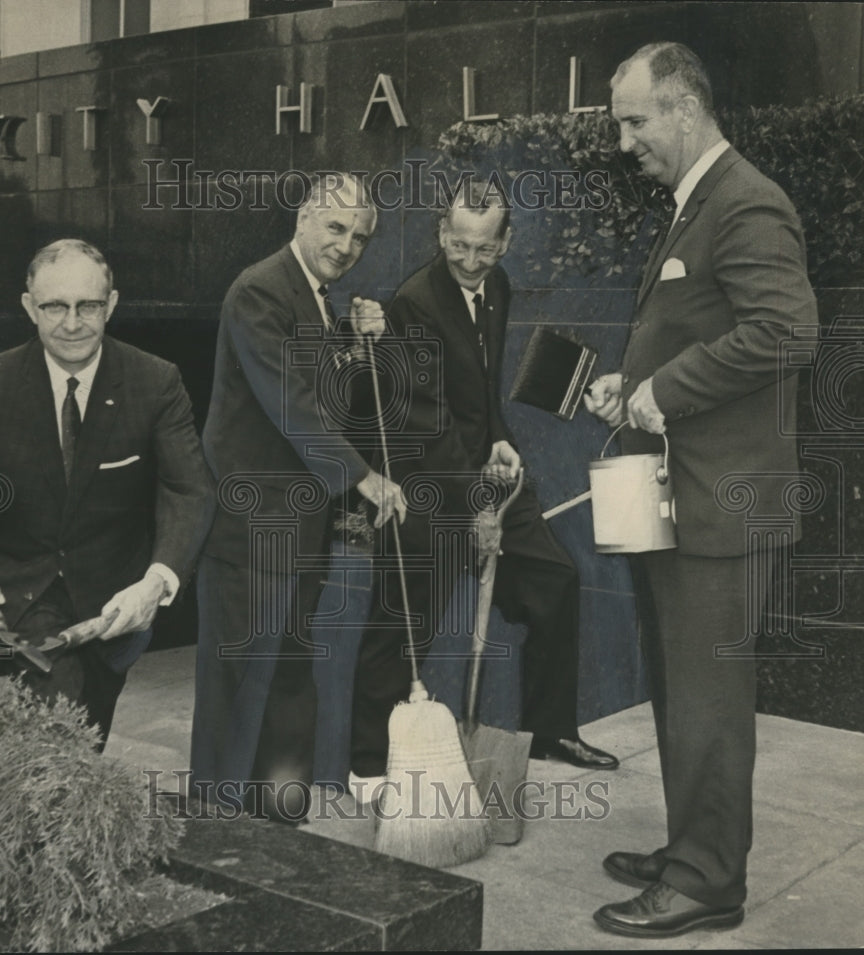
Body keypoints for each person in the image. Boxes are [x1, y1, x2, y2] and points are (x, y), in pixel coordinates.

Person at [584, 43, 818, 938]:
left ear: (686, 109)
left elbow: (787, 332)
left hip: (723, 507)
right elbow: (704, 329)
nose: (625, 139)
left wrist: (666, 390)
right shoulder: (698, 204)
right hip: (689, 500)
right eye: (619, 122)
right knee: (684, 693)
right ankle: (693, 847)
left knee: (710, 703)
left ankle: (709, 881)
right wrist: (631, 383)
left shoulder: (746, 200)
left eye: (636, 120)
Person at [348, 183, 618, 798]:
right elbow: (424, 419)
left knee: (554, 579)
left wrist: (500, 444)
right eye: (460, 246)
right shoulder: (415, 303)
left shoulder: (497, 288)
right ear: (442, 234)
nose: (471, 260)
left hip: (482, 474)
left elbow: (482, 388)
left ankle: (549, 730)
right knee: (403, 624)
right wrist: (474, 502)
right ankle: (366, 765)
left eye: (485, 248)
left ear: (505, 242)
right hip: (424, 484)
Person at [0, 238, 214, 750]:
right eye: (55, 306)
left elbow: (190, 489)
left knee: (81, 746)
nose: (72, 323)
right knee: (50, 747)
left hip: (112, 610)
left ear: (111, 304)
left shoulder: (155, 382)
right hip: (13, 607)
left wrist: (157, 582)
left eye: (88, 305)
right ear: (29, 307)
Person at [190, 173, 407, 823]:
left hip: (297, 526)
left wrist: (359, 345)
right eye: (336, 228)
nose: (346, 246)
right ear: (306, 217)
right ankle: (216, 829)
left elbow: (328, 399)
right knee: (237, 685)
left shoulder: (318, 299)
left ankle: (277, 820)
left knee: (285, 675)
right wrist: (363, 477)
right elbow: (292, 406)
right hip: (250, 528)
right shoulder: (261, 289)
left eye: (360, 237)